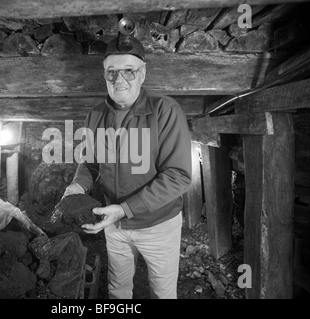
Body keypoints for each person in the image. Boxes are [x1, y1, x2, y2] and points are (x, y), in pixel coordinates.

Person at [62, 34, 192, 299]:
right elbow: (91, 162)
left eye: (128, 71)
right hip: (115, 226)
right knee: (118, 291)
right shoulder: (95, 115)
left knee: (162, 292)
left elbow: (178, 176)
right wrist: (78, 184)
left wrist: (125, 209)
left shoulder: (165, 111)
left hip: (158, 224)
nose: (119, 79)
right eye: (112, 72)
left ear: (142, 74)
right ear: (104, 76)